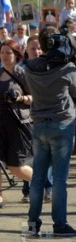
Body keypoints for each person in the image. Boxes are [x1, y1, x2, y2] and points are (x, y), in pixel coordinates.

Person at [23, 26, 76, 237]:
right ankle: (59, 224)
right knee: (60, 179)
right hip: (62, 125)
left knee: (38, 177)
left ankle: (33, 224)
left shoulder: (29, 67)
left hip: (39, 125)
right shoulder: (68, 68)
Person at [0, 41, 34, 208]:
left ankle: (41, 183)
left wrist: (20, 98)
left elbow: (34, 97)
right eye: (2, 53)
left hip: (18, 125)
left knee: (16, 167)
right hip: (1, 124)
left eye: (8, 52)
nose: (5, 56)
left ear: (16, 54)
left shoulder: (22, 74)